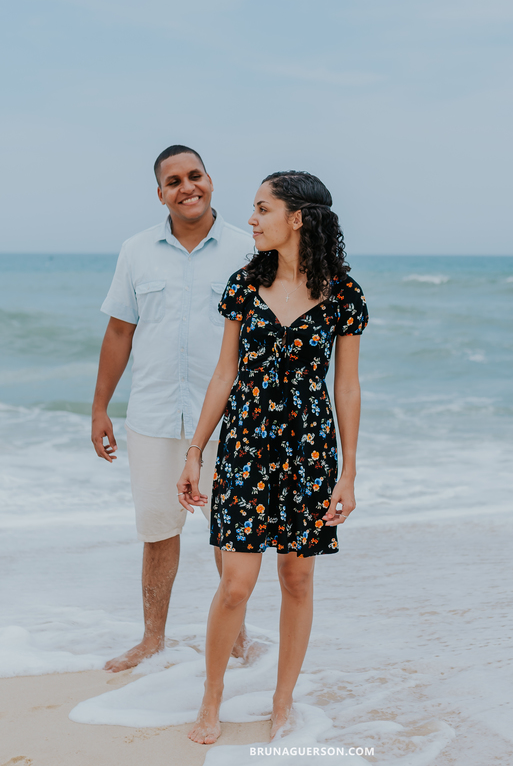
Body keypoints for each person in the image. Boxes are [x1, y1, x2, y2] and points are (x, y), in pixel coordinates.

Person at [176, 170, 368, 743]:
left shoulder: (342, 295)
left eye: (262, 209)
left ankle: (282, 702)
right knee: (236, 583)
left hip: (309, 451)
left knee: (297, 578)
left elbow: (348, 388)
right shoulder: (243, 285)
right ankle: (210, 700)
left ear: (298, 219)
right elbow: (224, 373)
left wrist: (348, 473)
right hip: (245, 445)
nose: (253, 220)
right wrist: (195, 452)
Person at [91, 144, 256, 672]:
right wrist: (100, 409)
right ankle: (151, 639)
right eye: (174, 180)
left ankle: (236, 639)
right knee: (158, 531)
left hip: (229, 418)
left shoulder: (248, 248)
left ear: (210, 180)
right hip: (155, 416)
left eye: (196, 175)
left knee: (229, 535)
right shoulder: (136, 251)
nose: (188, 187)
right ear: (160, 193)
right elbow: (120, 330)